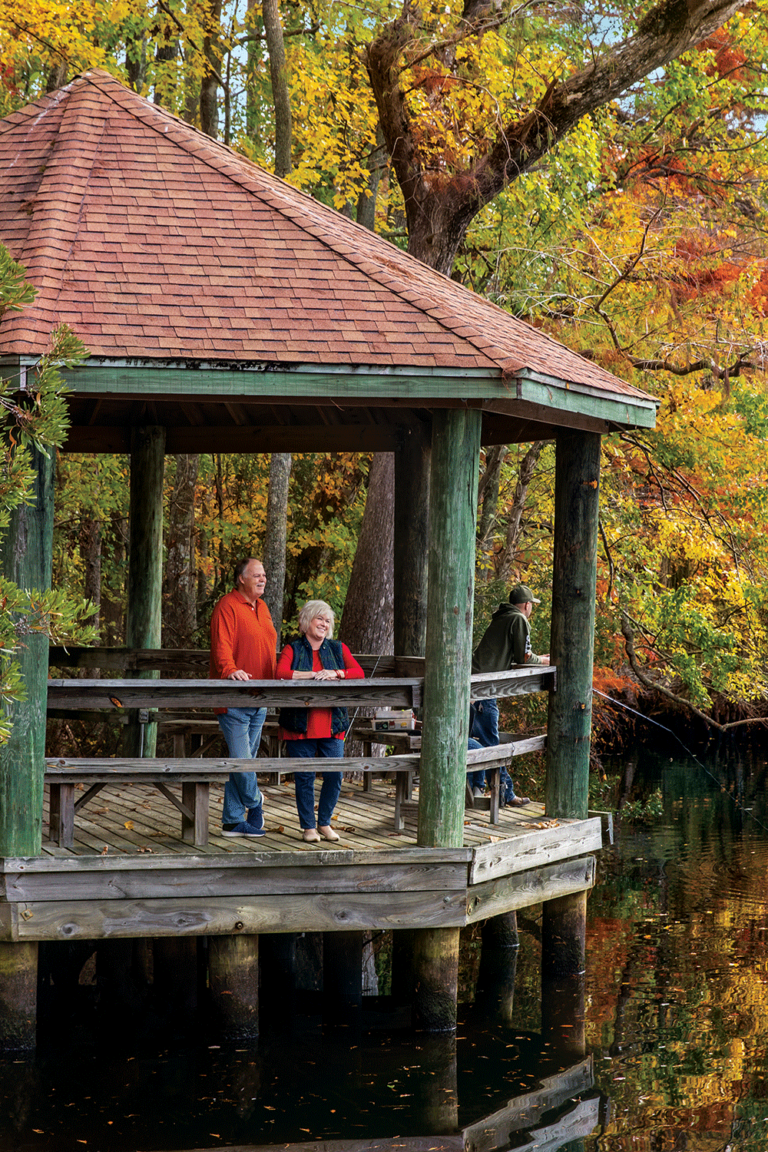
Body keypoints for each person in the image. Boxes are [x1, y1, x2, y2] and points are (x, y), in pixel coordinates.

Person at [276, 600, 364, 843]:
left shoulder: (338, 649)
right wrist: (313, 675)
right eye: (319, 619)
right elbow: (280, 673)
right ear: (306, 622)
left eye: (327, 621)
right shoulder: (292, 649)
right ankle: (308, 828)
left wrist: (336, 673)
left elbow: (358, 673)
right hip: (299, 724)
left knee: (335, 775)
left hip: (332, 724)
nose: (324, 624)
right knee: (304, 777)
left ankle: (324, 823)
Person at [210, 557, 277, 837]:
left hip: (259, 698)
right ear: (241, 578)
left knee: (243, 763)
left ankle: (233, 821)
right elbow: (221, 646)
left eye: (264, 575)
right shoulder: (227, 606)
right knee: (242, 760)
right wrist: (230, 669)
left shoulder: (262, 608)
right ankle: (256, 801)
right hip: (235, 697)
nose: (262, 579)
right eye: (256, 575)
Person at [470, 583, 550, 807]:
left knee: (478, 741)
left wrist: (538, 657)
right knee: (491, 743)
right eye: (532, 605)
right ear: (527, 605)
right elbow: (524, 658)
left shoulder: (502, 617)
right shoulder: (519, 619)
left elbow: (517, 654)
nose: (531, 609)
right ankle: (504, 794)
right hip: (483, 689)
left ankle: (482, 789)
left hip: (476, 684)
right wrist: (545, 661)